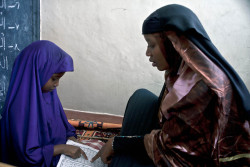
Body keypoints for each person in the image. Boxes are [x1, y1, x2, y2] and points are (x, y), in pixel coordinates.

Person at [91, 4, 250, 166]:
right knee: (141, 97)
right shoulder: (183, 67)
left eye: (151, 45)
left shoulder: (199, 89)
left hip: (190, 158)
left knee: (121, 161)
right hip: (174, 137)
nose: (147, 53)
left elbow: (172, 150)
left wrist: (118, 143)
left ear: (173, 43)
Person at [0, 40, 87, 166]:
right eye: (54, 78)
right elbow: (27, 155)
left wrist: (71, 140)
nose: (57, 84)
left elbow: (61, 126)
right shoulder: (19, 109)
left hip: (56, 155)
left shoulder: (48, 94)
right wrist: (62, 149)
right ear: (38, 72)